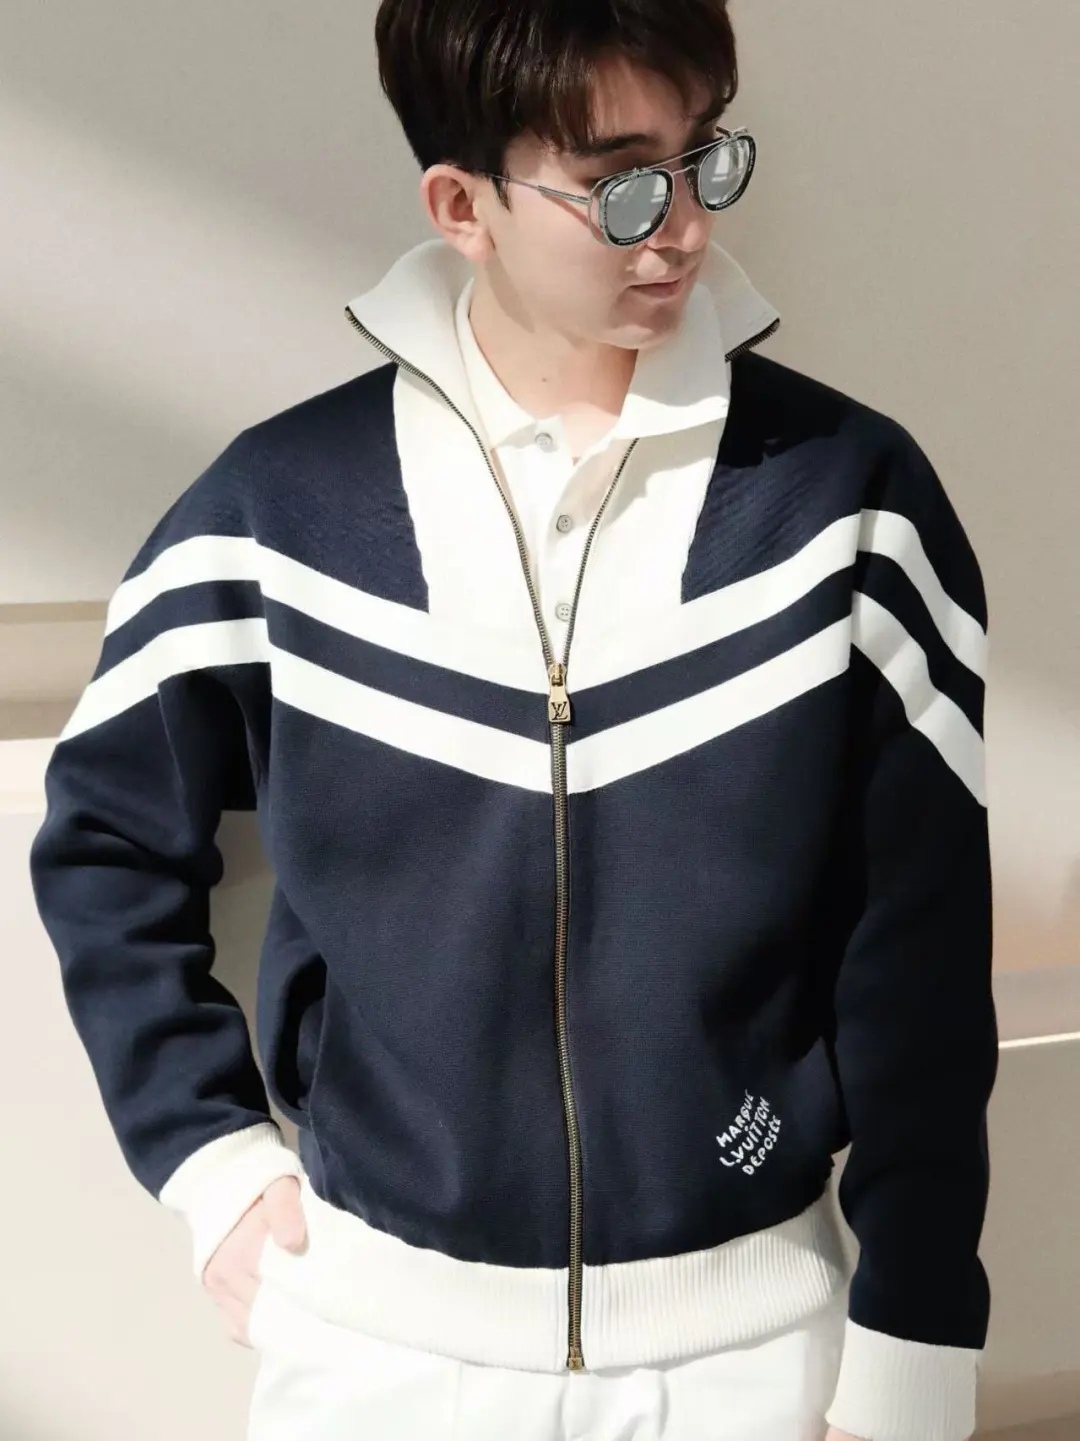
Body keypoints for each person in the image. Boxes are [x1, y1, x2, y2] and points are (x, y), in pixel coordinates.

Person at [28, 1, 998, 1438]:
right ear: (460, 205)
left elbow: (921, 962)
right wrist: (209, 1162)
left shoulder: (845, 502)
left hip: (749, 1351)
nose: (681, 227)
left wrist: (913, 1348)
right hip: (376, 1354)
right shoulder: (281, 512)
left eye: (703, 157)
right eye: (620, 183)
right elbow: (105, 845)